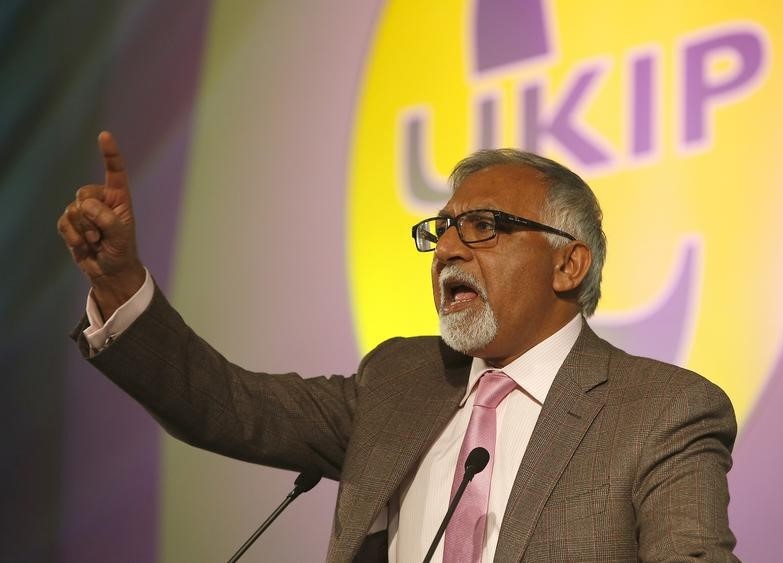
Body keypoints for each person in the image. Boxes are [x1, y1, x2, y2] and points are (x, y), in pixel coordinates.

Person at [58, 132, 739, 562]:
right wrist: (120, 283)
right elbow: (228, 406)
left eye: (483, 226)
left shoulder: (661, 409)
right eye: (440, 230)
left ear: (569, 265)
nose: (446, 248)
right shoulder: (400, 379)